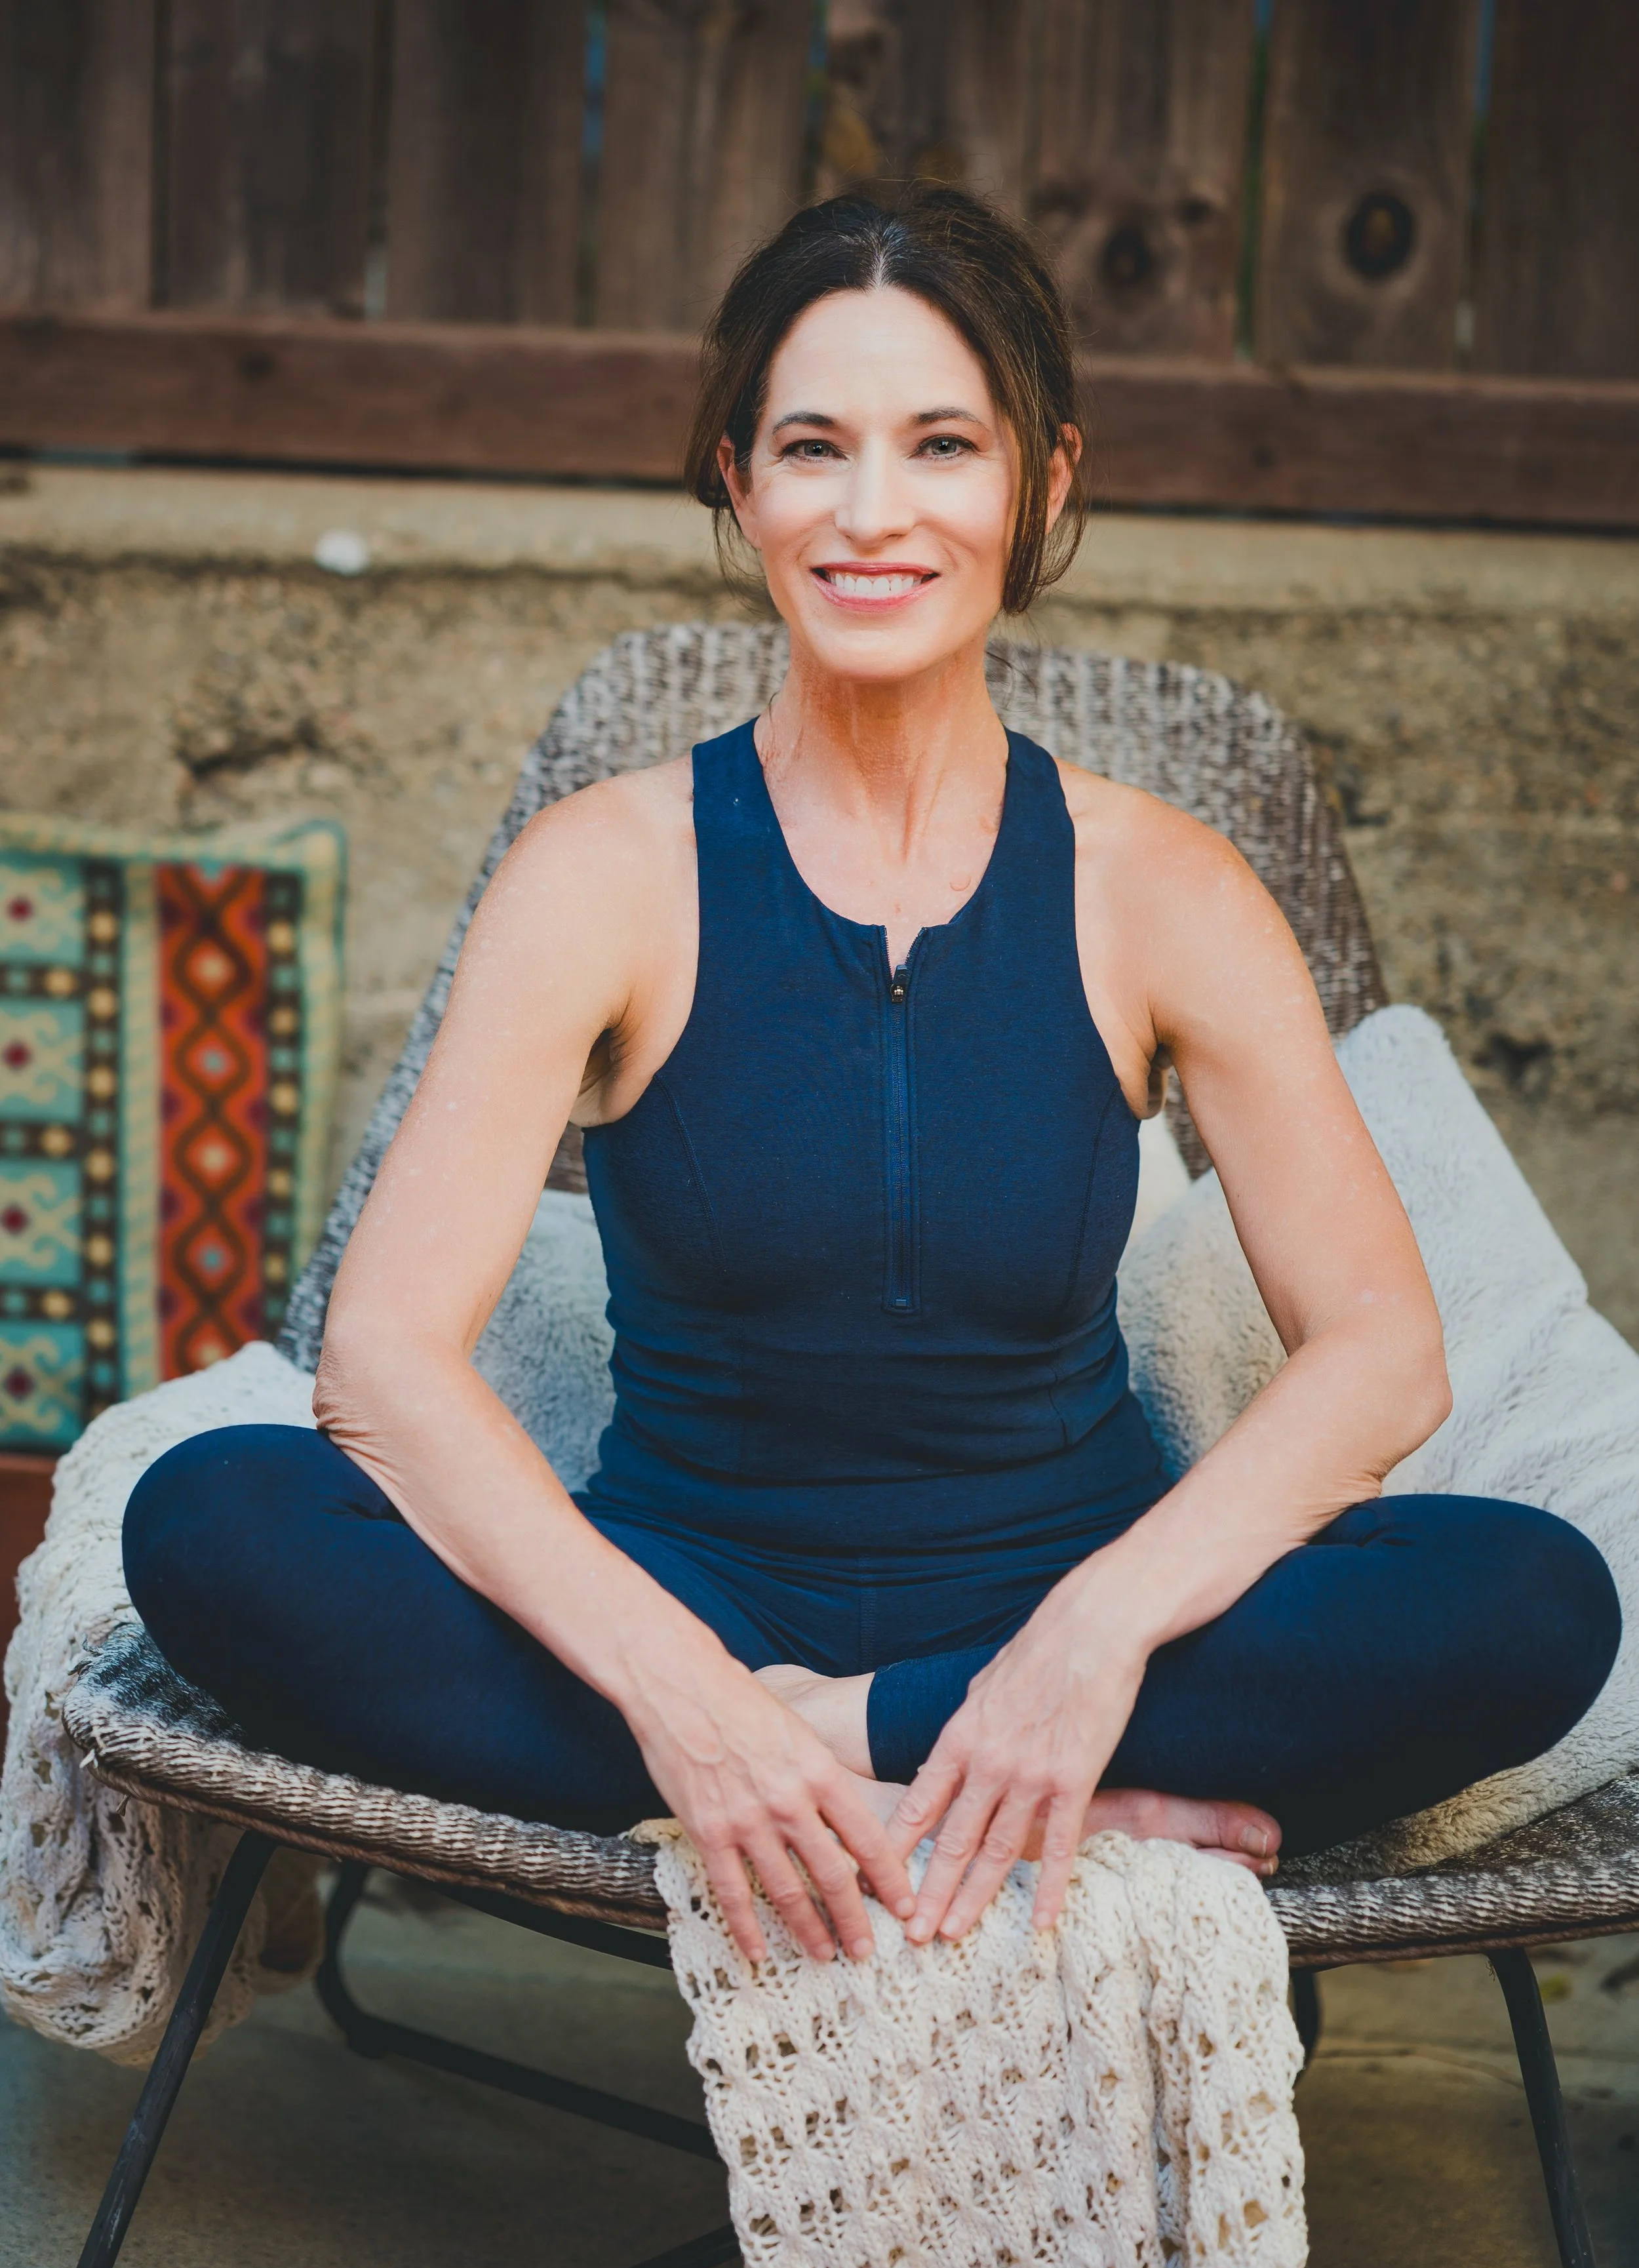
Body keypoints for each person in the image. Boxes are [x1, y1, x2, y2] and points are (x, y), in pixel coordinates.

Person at [124, 186, 1620, 1973]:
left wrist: (1087, 1644)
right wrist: (684, 1691)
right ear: (734, 482)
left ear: (1042, 484)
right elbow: (380, 1362)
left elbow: (1380, 1349)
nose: (870, 512)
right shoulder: (610, 871)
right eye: (811, 447)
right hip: (690, 1587)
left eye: (939, 446)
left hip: (1058, 1600)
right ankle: (926, 1796)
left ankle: (860, 1765)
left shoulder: (1164, 886)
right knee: (208, 1522)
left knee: (1532, 1597)